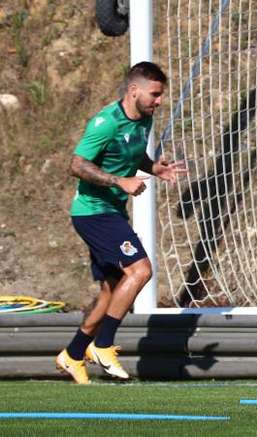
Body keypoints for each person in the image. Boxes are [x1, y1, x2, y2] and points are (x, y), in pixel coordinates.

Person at [55, 62, 186, 384]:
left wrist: (154, 167)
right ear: (133, 90)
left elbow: (131, 152)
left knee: (111, 290)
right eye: (154, 94)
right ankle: (102, 346)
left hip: (112, 211)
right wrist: (119, 181)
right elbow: (76, 165)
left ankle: (72, 354)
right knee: (140, 270)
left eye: (161, 95)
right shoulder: (105, 122)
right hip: (93, 212)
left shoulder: (144, 118)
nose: (159, 101)